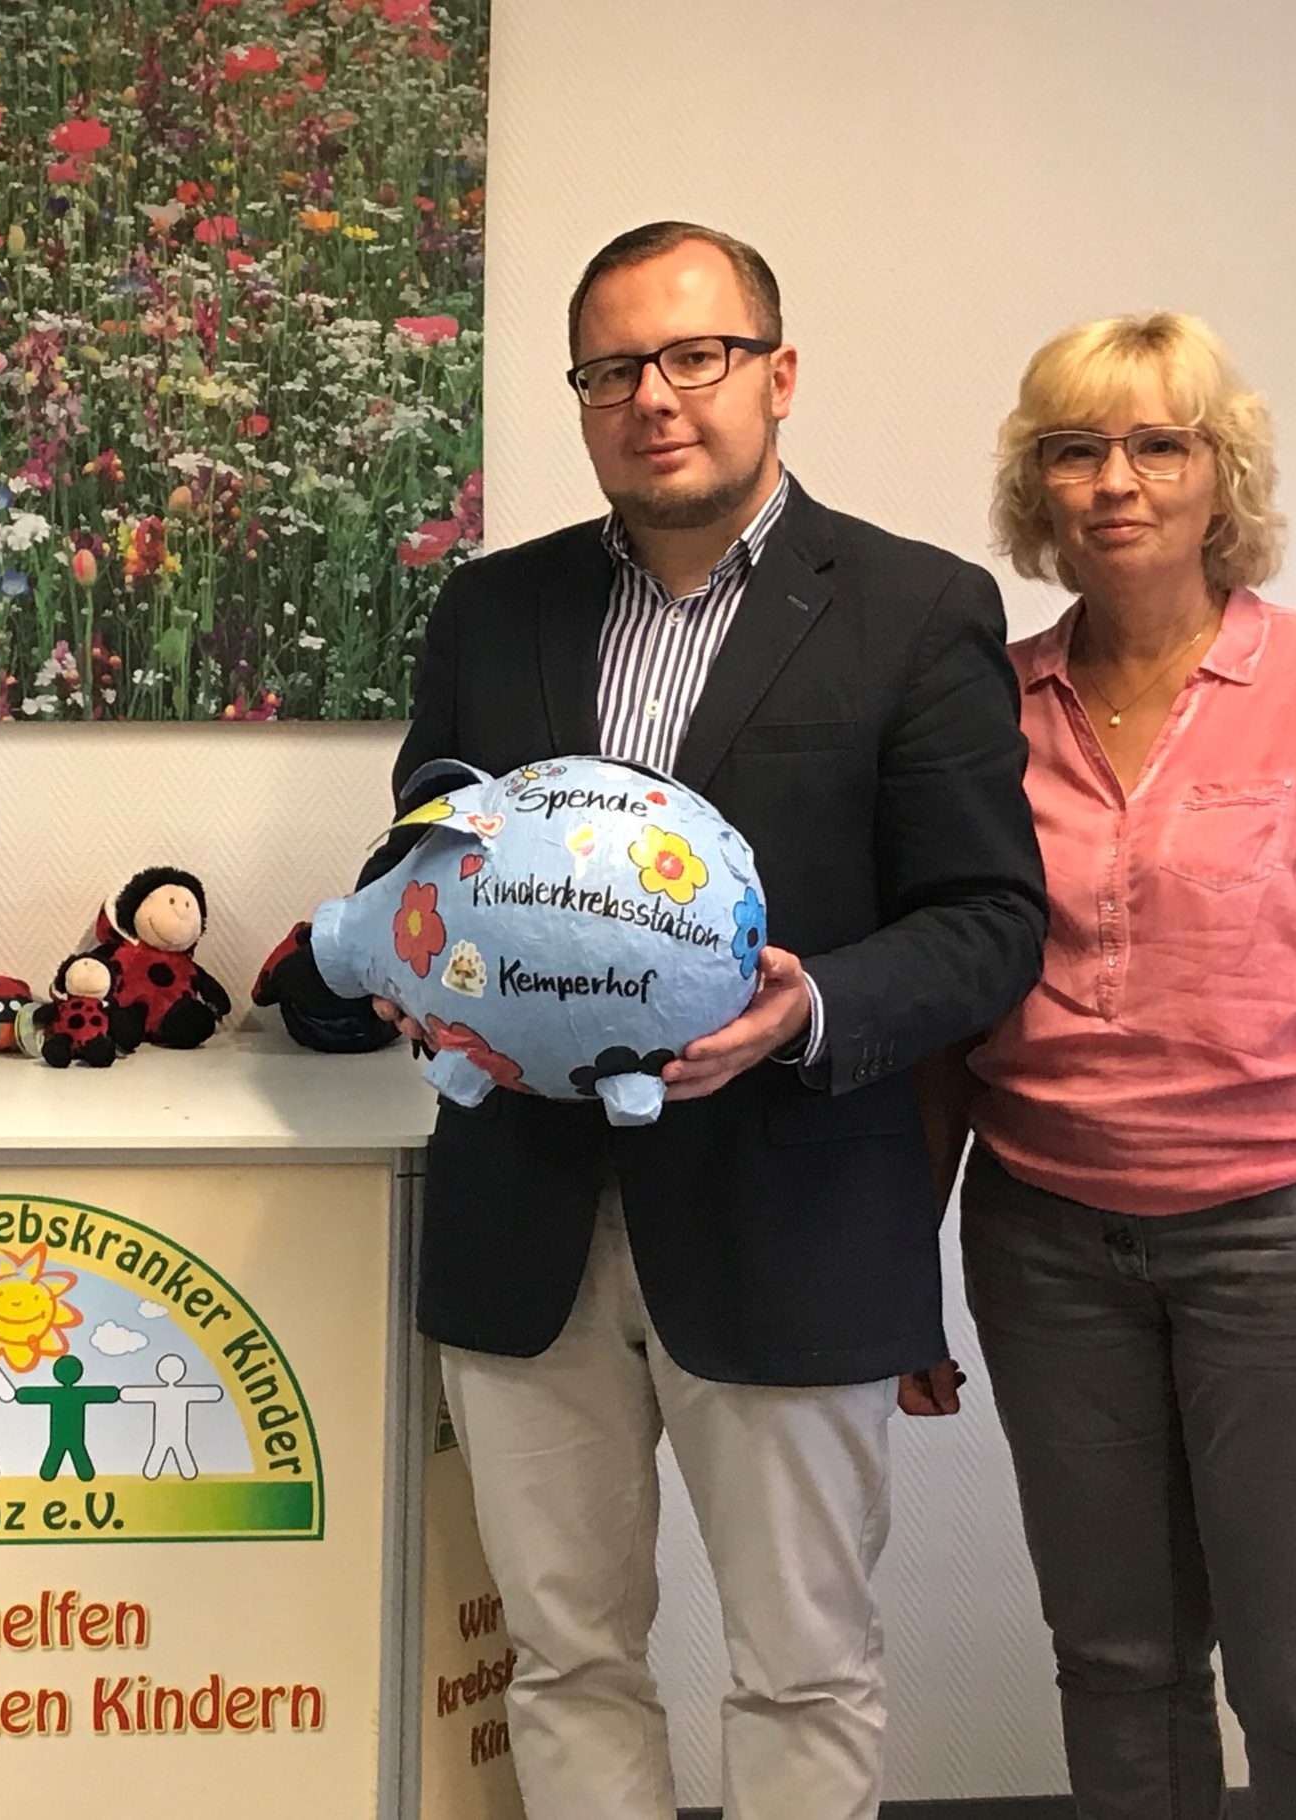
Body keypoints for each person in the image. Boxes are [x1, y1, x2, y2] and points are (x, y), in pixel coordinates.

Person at [378, 220, 1046, 1820]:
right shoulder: (492, 610)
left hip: (791, 1209)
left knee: (804, 1668)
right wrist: (420, 970)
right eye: (613, 369)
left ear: (779, 373)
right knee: (565, 1661)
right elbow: (420, 859)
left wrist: (814, 1007)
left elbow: (990, 921)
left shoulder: (915, 608)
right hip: (526, 1218)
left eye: (696, 355)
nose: (654, 397)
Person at [922, 311, 1296, 1820]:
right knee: (1118, 1660)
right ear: (1037, 488)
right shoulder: (986, 706)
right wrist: (903, 1261)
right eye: (1076, 450)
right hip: (1049, 1243)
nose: (1116, 480)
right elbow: (954, 1016)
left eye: (1158, 445)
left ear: (1218, 474)